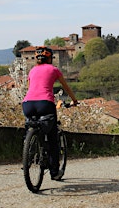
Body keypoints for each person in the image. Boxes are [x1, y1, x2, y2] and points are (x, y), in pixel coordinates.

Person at [22, 46, 78, 181]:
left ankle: (28, 154)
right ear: (50, 58)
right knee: (52, 138)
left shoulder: (32, 70)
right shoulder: (54, 70)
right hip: (45, 103)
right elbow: (66, 87)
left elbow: (31, 88)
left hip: (28, 103)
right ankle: (54, 172)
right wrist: (74, 100)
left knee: (32, 126)